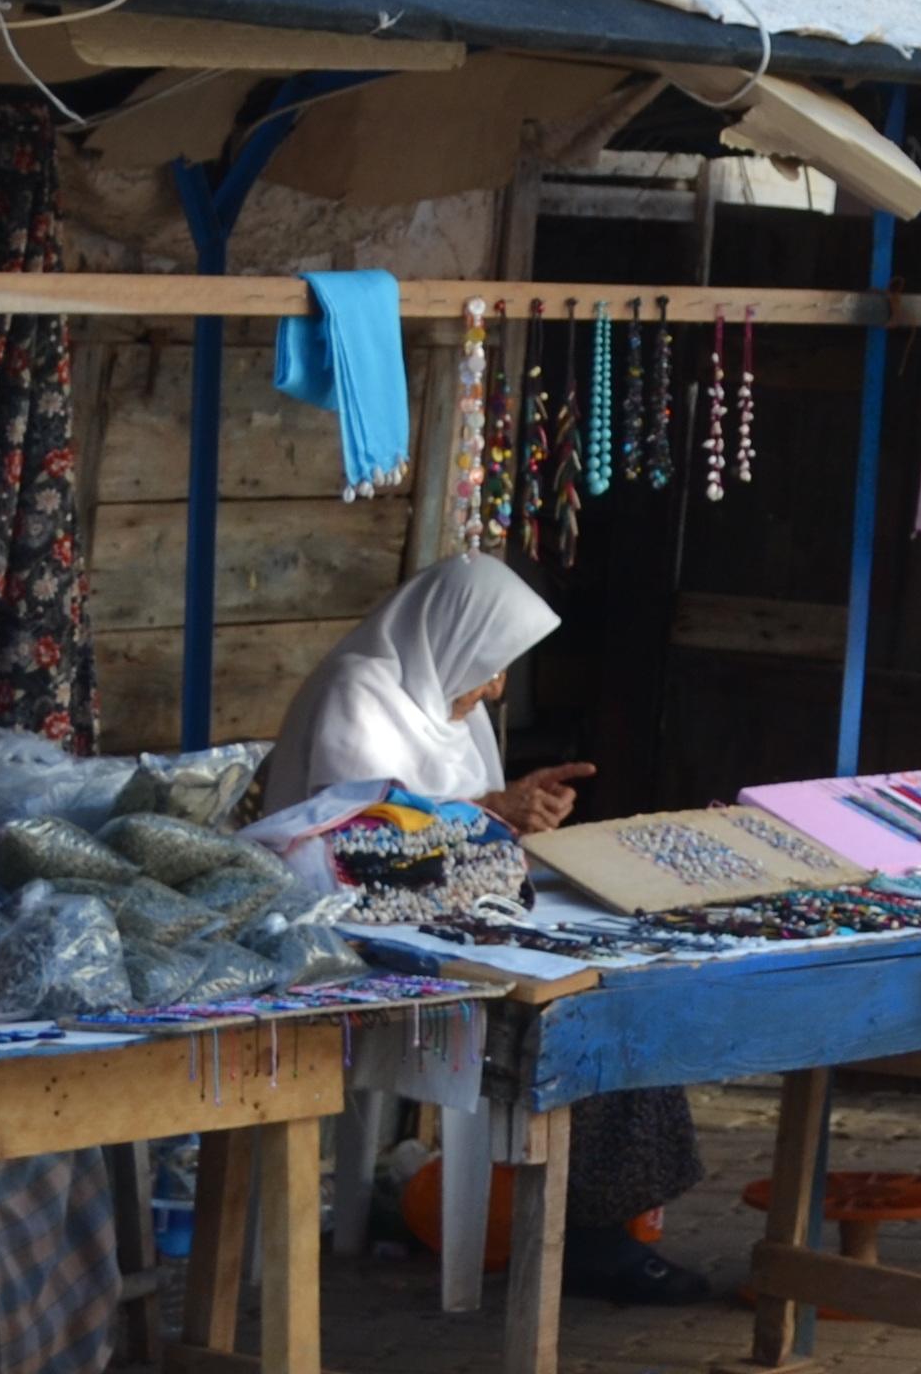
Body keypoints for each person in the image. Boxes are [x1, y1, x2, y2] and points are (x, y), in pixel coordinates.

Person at [263, 556, 708, 1304]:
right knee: (569, 1003)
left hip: (449, 921)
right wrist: (493, 812)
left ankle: (608, 1222)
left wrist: (514, 814)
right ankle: (594, 1238)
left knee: (621, 979)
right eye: (492, 664)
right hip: (352, 937)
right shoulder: (359, 692)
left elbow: (473, 828)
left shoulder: (448, 705)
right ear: (451, 638)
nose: (497, 687)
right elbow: (362, 844)